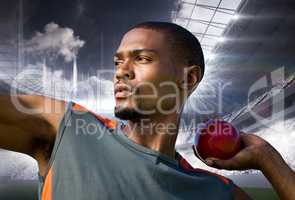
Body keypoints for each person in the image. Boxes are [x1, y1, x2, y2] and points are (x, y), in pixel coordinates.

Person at [0, 21, 294, 200]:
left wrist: (268, 159)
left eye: (141, 58)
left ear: (188, 78)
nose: (120, 72)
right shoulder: (64, 127)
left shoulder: (216, 192)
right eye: (117, 62)